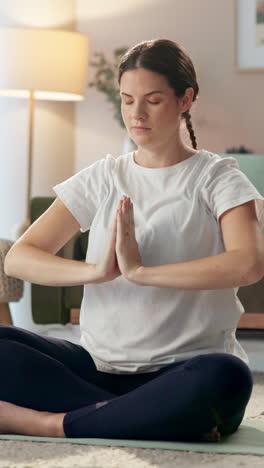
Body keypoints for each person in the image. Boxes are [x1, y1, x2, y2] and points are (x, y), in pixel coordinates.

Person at [2, 38, 264, 442]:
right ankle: (139, 417)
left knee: (225, 377)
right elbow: (20, 258)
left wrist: (142, 271)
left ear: (185, 99)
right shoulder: (103, 176)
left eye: (153, 100)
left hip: (185, 370)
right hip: (98, 368)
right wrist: (96, 271)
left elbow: (248, 262)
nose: (136, 114)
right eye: (127, 100)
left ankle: (50, 423)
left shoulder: (217, 178)